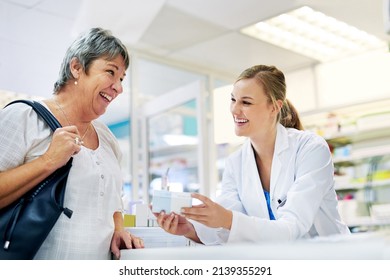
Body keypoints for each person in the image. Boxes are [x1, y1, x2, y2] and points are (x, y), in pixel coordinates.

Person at [155, 64, 350, 244]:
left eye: (246, 102)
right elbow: (229, 229)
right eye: (233, 100)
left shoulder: (310, 149)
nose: (235, 109)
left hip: (328, 261)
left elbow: (291, 228)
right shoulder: (236, 162)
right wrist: (189, 228)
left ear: (274, 107)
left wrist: (227, 219)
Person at [0, 27, 144, 259]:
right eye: (110, 72)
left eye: (121, 79)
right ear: (76, 67)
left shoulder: (108, 138)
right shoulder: (24, 117)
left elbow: (114, 200)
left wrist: (119, 229)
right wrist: (47, 161)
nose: (118, 87)